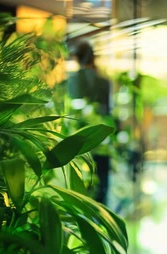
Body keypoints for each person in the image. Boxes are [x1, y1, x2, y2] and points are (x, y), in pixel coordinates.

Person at [71, 41, 111, 204]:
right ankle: (101, 217)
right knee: (101, 181)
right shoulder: (103, 81)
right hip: (100, 138)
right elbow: (108, 112)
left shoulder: (71, 81)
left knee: (79, 182)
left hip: (77, 137)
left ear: (76, 58)